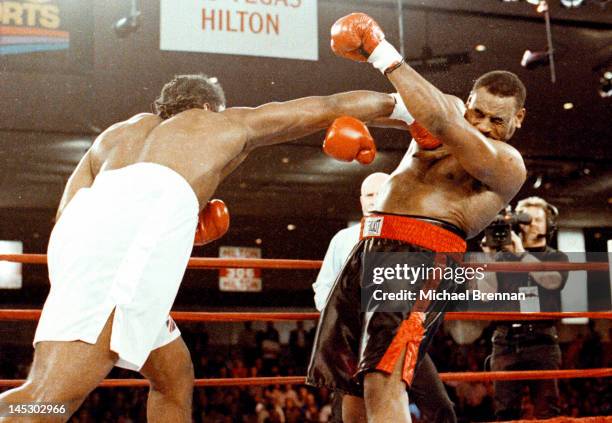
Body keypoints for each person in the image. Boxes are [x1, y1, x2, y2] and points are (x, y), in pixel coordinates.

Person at [0, 73, 400, 422]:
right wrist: (404, 108)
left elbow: (68, 213)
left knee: (174, 378)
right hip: (120, 263)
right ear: (209, 106)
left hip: (85, 250)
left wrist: (168, 226)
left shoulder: (114, 135)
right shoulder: (221, 123)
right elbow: (328, 106)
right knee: (47, 401)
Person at [307, 13, 528, 423]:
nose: (481, 125)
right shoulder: (442, 117)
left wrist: (380, 51)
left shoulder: (507, 163)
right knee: (349, 384)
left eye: (497, 120)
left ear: (518, 119)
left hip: (419, 255)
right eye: (477, 112)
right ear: (470, 101)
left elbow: (444, 121)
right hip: (370, 244)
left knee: (382, 379)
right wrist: (303, 122)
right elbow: (385, 104)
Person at [313, 172, 457, 422]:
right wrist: (345, 321)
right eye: (369, 195)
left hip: (399, 335)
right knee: (345, 414)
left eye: (381, 193)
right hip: (355, 340)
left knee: (440, 407)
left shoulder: (410, 239)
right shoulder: (344, 240)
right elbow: (323, 288)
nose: (375, 200)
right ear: (361, 201)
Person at [476, 196, 568, 420]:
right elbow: (485, 295)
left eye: (537, 219)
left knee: (548, 411)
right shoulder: (501, 257)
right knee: (505, 412)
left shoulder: (556, 256)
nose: (532, 224)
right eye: (526, 220)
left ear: (549, 225)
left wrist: (521, 254)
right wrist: (488, 260)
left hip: (542, 339)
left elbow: (553, 281)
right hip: (506, 340)